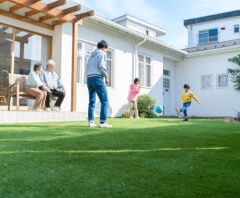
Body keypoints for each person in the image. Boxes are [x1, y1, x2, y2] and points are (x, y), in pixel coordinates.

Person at [86, 40, 112, 128]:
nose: (106, 50)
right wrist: (106, 76)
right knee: (104, 100)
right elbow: (101, 66)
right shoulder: (102, 53)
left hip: (89, 78)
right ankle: (102, 122)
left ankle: (91, 122)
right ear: (104, 47)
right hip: (97, 78)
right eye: (106, 49)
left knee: (91, 101)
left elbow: (87, 67)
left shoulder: (91, 55)